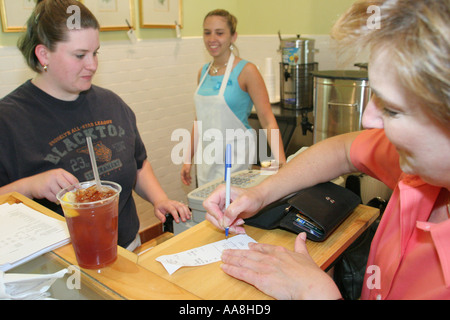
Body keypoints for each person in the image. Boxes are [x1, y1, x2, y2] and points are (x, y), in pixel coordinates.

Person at [203, 0, 450, 300]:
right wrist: (260, 194)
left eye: (393, 109)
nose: (367, 119)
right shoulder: (417, 162)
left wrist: (317, 293)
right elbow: (342, 151)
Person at [0, 0, 191, 251]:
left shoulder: (111, 104)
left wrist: (160, 199)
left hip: (126, 249)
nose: (92, 65)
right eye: (80, 55)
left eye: (95, 53)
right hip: (60, 266)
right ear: (43, 54)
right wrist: (29, 186)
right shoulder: (10, 119)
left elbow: (138, 163)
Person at [181, 9, 286, 187]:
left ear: (233, 36)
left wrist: (282, 164)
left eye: (219, 33)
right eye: (207, 32)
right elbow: (199, 121)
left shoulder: (247, 71)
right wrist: (187, 159)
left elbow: (268, 120)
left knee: (232, 208)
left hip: (236, 159)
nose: (212, 38)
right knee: (208, 207)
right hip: (207, 159)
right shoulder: (203, 72)